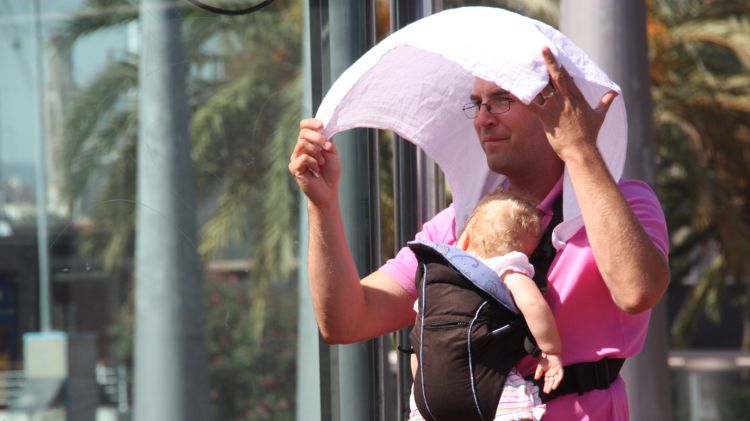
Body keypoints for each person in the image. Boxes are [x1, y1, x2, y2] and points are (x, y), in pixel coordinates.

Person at [288, 47, 669, 420]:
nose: (482, 119)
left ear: (556, 105)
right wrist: (322, 205)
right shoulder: (459, 222)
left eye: (501, 100)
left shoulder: (626, 203)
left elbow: (636, 291)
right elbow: (346, 320)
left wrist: (581, 150)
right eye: (478, 103)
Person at [407, 189, 564, 421]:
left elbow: (419, 340)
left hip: (428, 398)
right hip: (494, 395)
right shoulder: (506, 266)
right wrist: (551, 349)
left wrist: (426, 383)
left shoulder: (435, 280)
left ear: (466, 239)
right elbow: (532, 303)